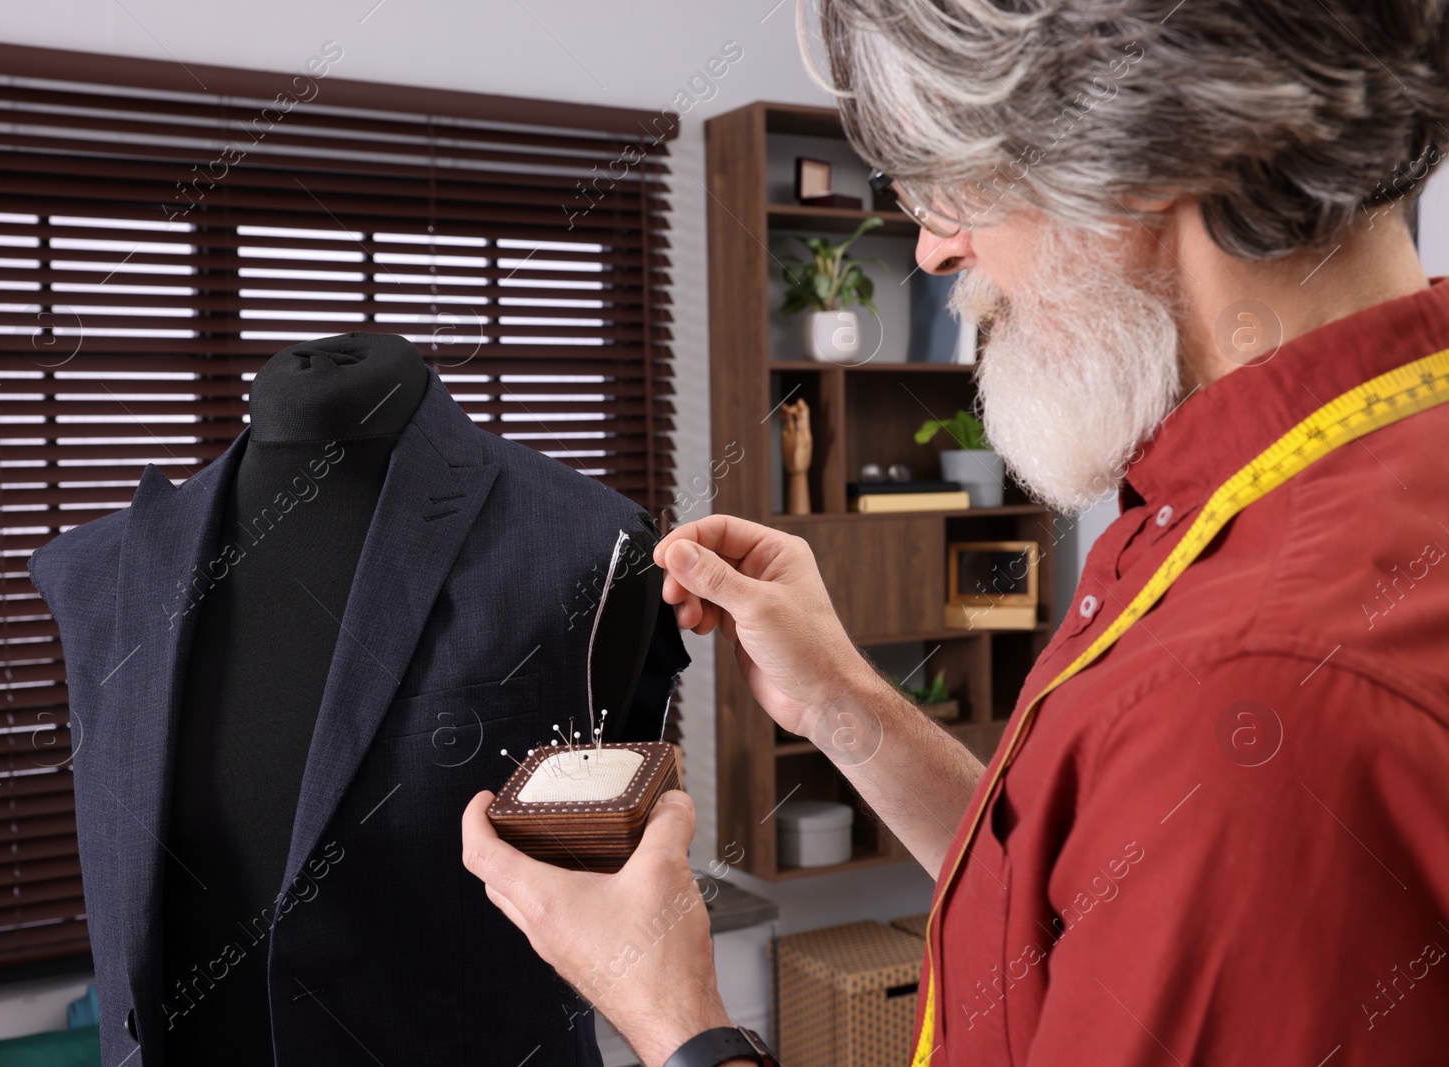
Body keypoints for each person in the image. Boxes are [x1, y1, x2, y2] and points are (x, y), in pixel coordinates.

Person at [463, 1, 1449, 1063]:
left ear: (1141, 145)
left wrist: (673, 1016)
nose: (930, 247)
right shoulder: (1293, 477)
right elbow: (1074, 901)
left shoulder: (1250, 683)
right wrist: (839, 700)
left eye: (947, 180)